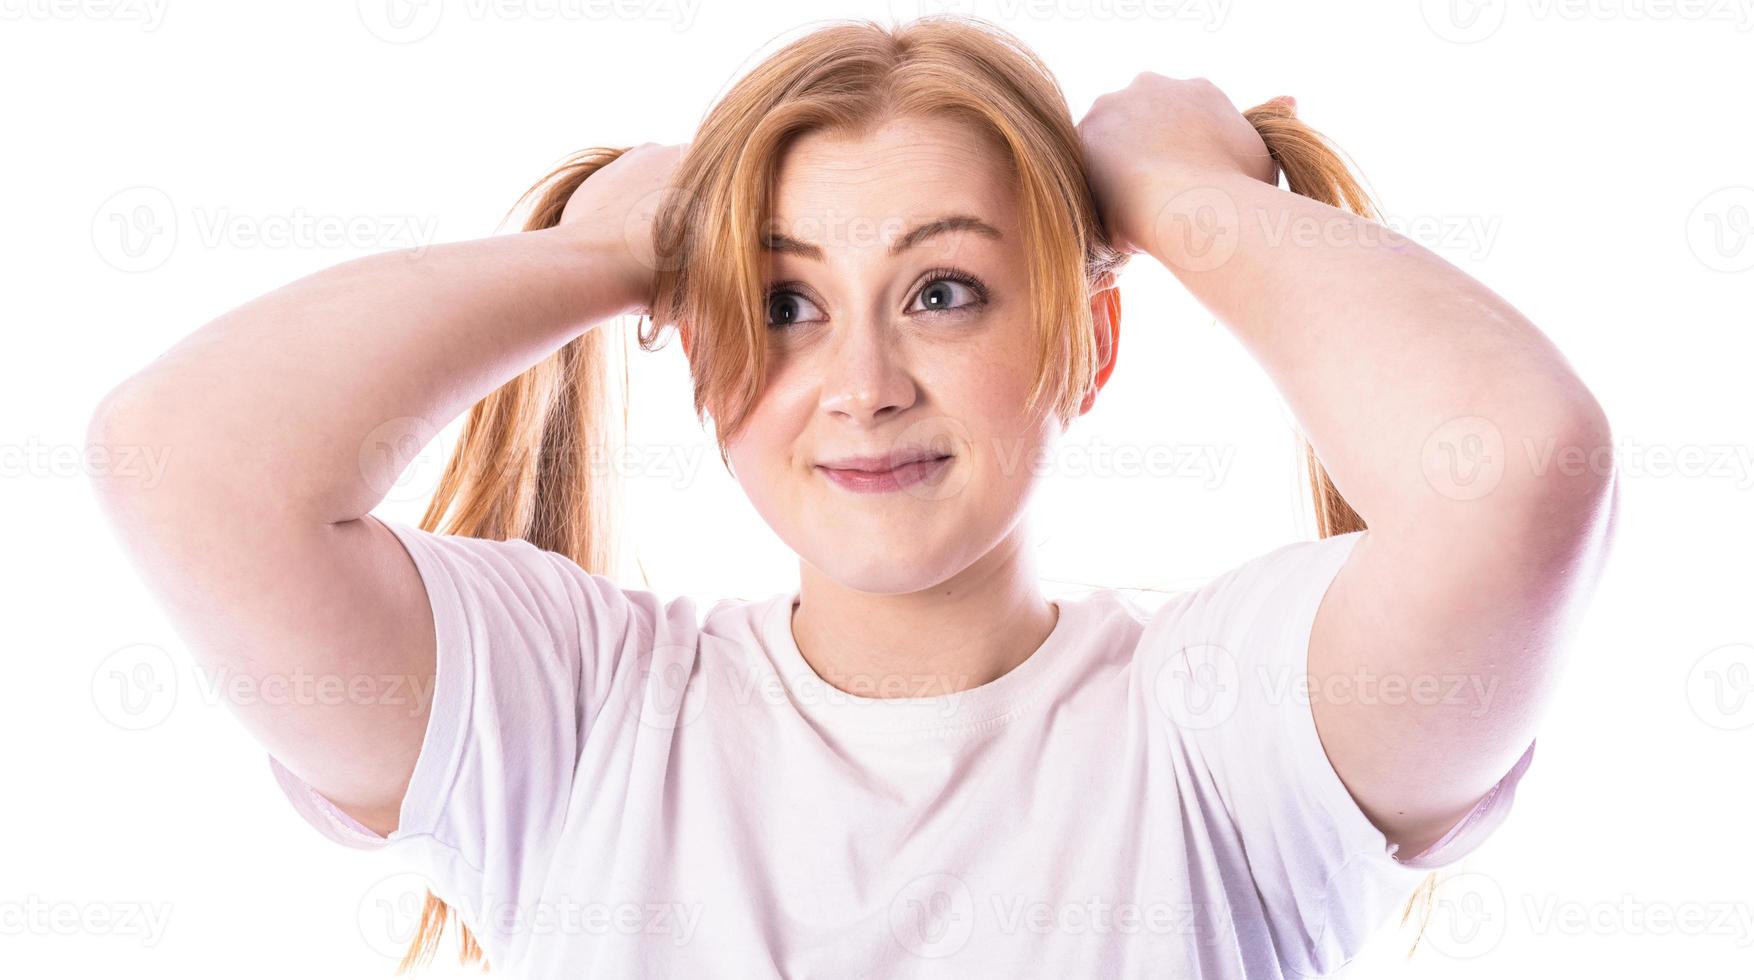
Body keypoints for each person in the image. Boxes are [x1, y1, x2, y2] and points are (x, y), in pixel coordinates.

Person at [86, 15, 1618, 978]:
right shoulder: (570, 715)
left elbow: (1516, 473)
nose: (863, 383)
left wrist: (1180, 195)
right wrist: (624, 247)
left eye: (944, 289)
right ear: (700, 353)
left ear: (1086, 341)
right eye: (786, 302)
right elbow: (187, 460)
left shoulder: (1227, 732)